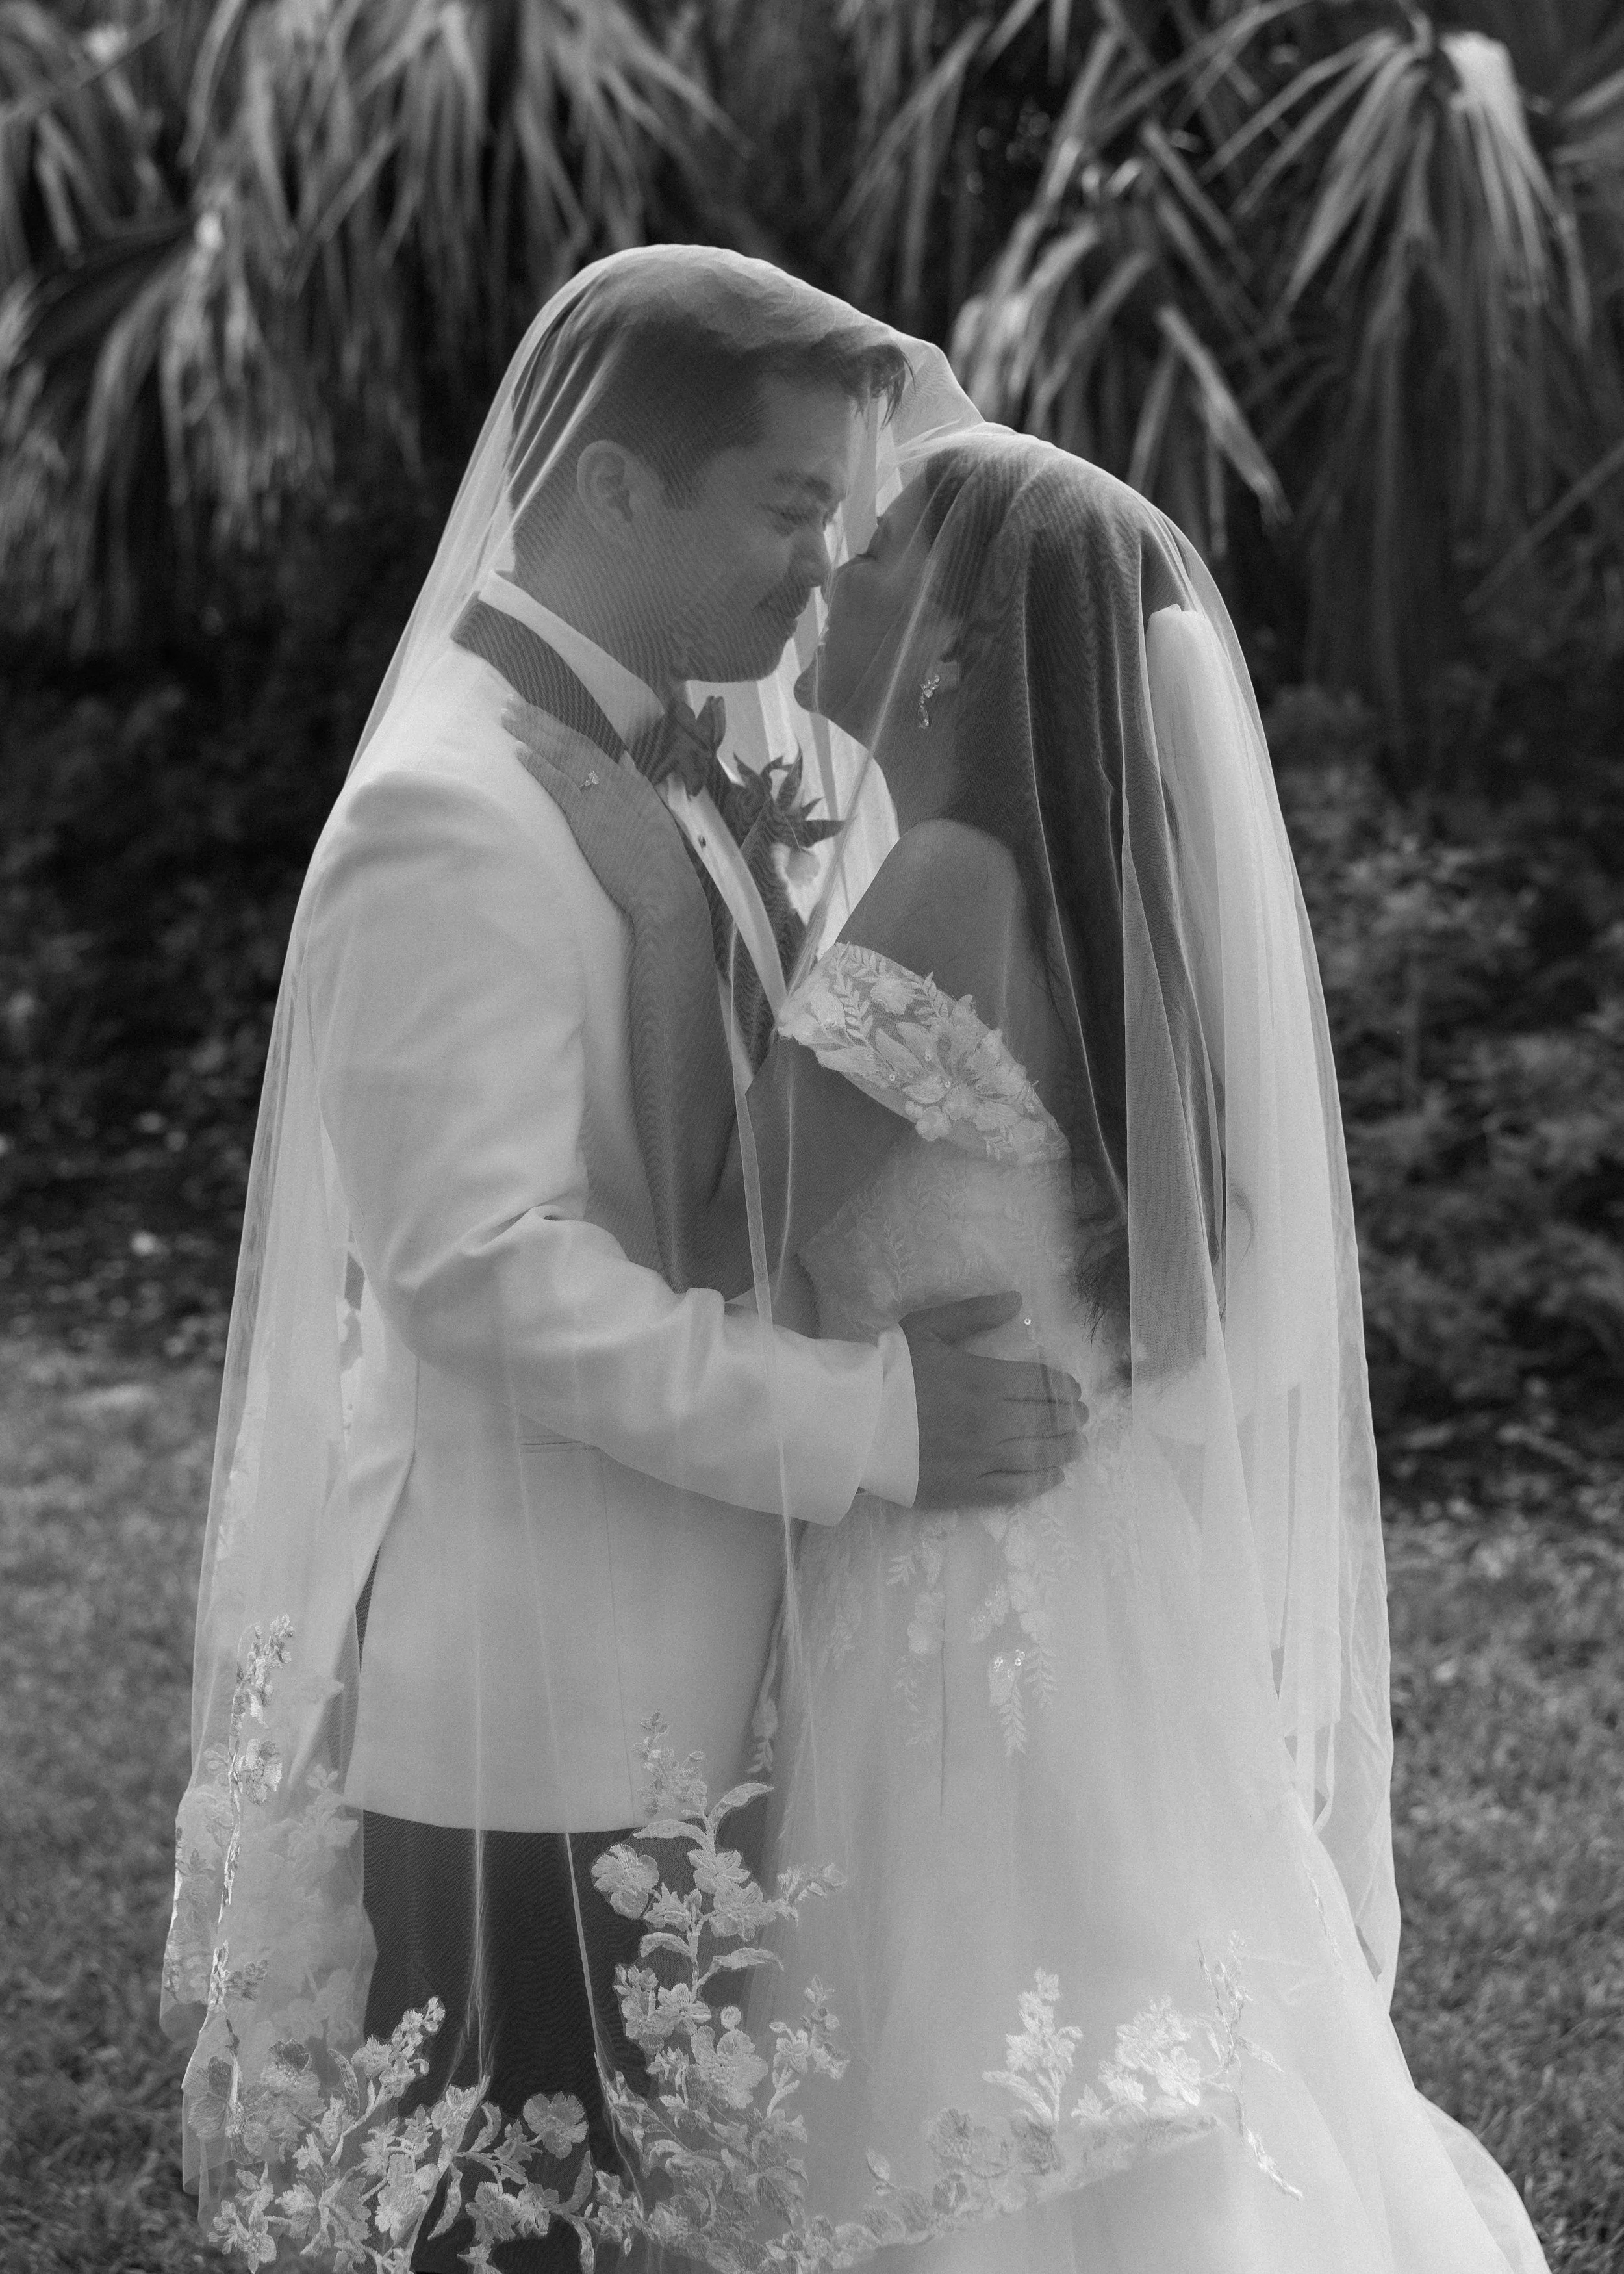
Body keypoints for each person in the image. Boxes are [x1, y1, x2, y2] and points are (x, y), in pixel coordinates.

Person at [158, 253, 1085, 2272]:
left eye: (839, 518)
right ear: (609, 489)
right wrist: (883, 1420)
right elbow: (486, 1281)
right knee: (516, 2227)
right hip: (534, 1697)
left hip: (703, 1671)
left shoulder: (673, 771)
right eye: (786, 509)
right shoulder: (450, 813)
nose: (823, 568)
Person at [576, 430, 1553, 2271]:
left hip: (962, 1581)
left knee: (982, 2054)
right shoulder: (1073, 890)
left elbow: (732, 1235)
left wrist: (658, 898)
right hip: (1081, 1555)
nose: (828, 581)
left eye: (867, 556)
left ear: (949, 642)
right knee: (1114, 1997)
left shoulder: (945, 880)